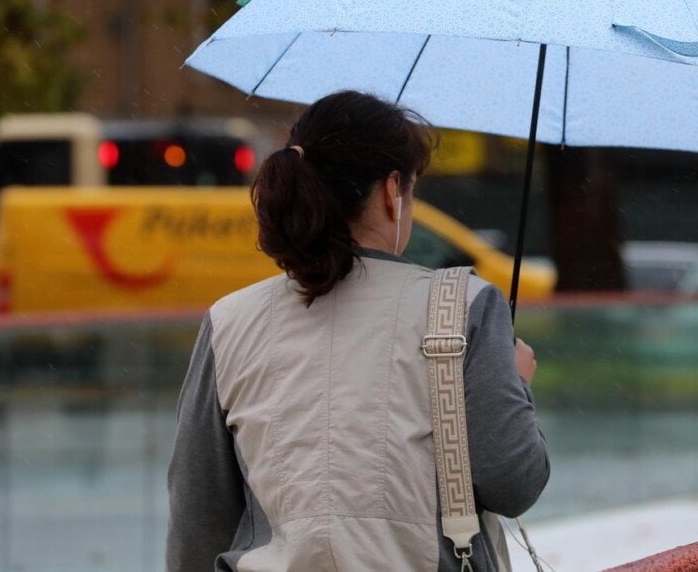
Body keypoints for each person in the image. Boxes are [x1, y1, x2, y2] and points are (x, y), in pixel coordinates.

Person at [166, 91, 549, 572]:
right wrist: (516, 384)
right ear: (393, 191)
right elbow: (515, 484)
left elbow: (198, 515)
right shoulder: (465, 306)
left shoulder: (229, 320)